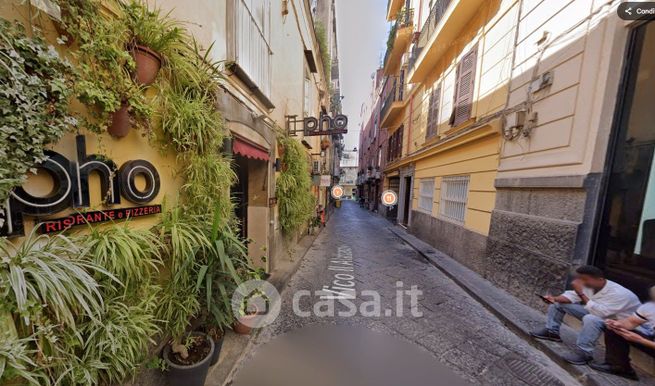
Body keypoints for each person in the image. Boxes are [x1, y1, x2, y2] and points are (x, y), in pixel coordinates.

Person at [530, 266, 641, 365]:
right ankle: (551, 332)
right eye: (580, 279)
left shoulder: (619, 294)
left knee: (590, 318)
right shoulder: (591, 286)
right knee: (559, 303)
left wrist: (581, 293)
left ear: (600, 280)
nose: (581, 282)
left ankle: (585, 353)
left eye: (584, 279)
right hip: (600, 315)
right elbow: (571, 297)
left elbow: (601, 313)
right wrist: (554, 298)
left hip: (623, 324)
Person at [588, 286, 655, 380]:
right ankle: (620, 367)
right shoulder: (649, 307)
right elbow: (631, 322)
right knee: (614, 329)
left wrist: (641, 340)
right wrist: (616, 323)